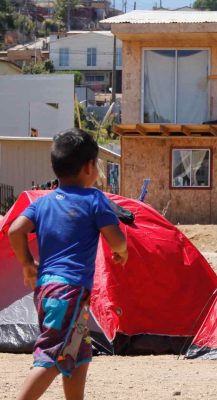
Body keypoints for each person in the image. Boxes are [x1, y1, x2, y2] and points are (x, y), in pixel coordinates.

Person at [8, 128, 128, 400]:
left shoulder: (43, 202)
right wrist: (122, 251)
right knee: (51, 355)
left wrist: (28, 264)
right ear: (89, 167)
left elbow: (15, 230)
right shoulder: (95, 200)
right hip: (71, 293)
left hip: (47, 291)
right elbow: (117, 239)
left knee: (78, 352)